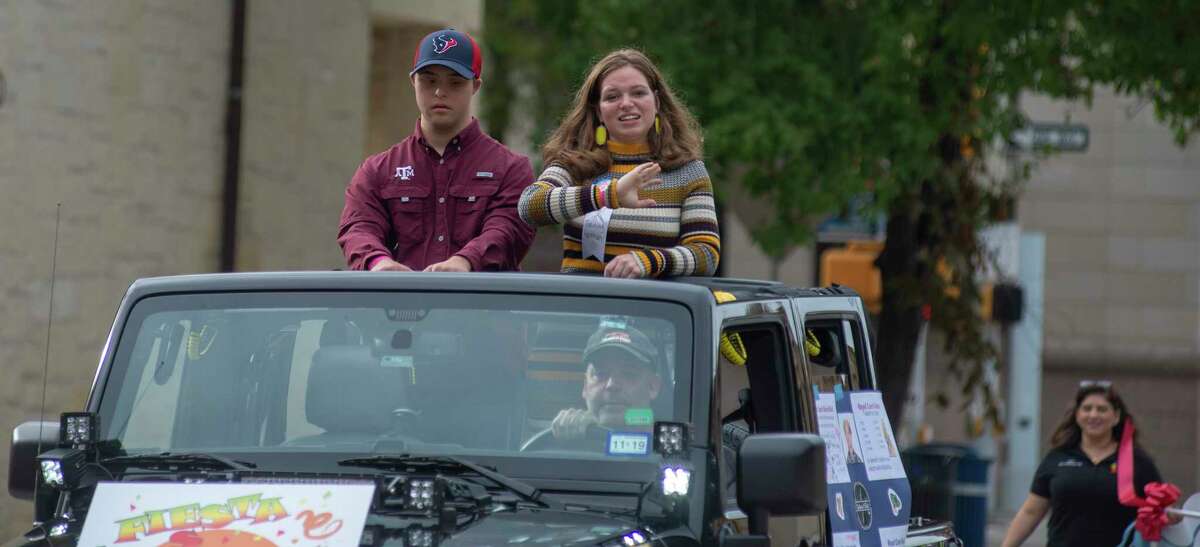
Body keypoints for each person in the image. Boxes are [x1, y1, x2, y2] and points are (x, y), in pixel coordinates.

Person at [338, 28, 534, 272]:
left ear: (475, 85)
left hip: (481, 307)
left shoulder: (511, 169)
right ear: (413, 81)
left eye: (455, 82)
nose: (440, 92)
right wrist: (379, 263)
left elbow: (508, 230)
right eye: (429, 80)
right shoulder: (377, 171)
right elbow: (358, 228)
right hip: (398, 305)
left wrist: (466, 261)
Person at [517, 49, 720, 278]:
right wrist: (608, 194)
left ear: (657, 102)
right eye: (612, 97)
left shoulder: (687, 171)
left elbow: (706, 254)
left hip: (655, 310)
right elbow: (529, 206)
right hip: (581, 307)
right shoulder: (576, 162)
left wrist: (649, 261)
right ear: (599, 111)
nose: (626, 103)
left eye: (638, 93)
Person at [1001, 382, 1164, 547]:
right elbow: (1031, 511)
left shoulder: (1138, 462)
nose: (1093, 415)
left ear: (1116, 417)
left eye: (1102, 409)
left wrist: (1171, 516)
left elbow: (1164, 508)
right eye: (1087, 408)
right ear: (1077, 415)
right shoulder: (1058, 457)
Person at [541, 325, 663, 448]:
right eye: (601, 374)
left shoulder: (670, 446)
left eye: (629, 374)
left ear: (653, 386)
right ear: (585, 387)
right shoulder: (562, 445)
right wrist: (565, 444)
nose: (612, 385)